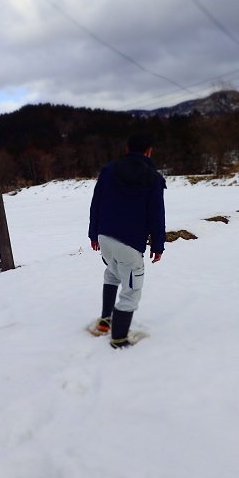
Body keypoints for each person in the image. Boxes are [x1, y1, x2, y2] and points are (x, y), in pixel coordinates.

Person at [88, 133, 166, 348]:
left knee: (112, 273)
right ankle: (119, 339)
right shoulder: (153, 178)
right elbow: (156, 215)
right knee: (131, 291)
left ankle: (105, 321)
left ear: (127, 150)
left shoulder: (108, 171)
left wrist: (94, 234)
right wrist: (158, 245)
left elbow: (96, 204)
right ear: (149, 151)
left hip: (105, 238)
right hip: (130, 244)